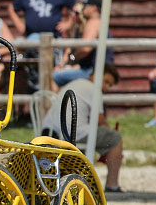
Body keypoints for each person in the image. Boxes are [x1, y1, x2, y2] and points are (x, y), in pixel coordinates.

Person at [40, 63, 124, 193]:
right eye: (106, 82)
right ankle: (112, 184)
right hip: (70, 134)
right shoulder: (94, 89)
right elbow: (100, 121)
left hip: (50, 130)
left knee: (93, 133)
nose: (107, 87)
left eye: (110, 85)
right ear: (95, 75)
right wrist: (110, 131)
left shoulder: (77, 83)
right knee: (115, 138)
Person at [9, 0, 76, 90]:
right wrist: (20, 26)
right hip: (33, 36)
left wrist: (68, 23)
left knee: (56, 66)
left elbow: (76, 5)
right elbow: (12, 7)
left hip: (54, 37)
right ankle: (36, 85)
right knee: (32, 60)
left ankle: (49, 89)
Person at [53, 0, 114, 89]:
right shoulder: (100, 22)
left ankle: (55, 103)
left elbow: (85, 49)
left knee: (53, 77)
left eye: (85, 6)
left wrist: (72, 59)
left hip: (93, 71)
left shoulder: (93, 23)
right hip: (103, 70)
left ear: (93, 8)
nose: (83, 9)